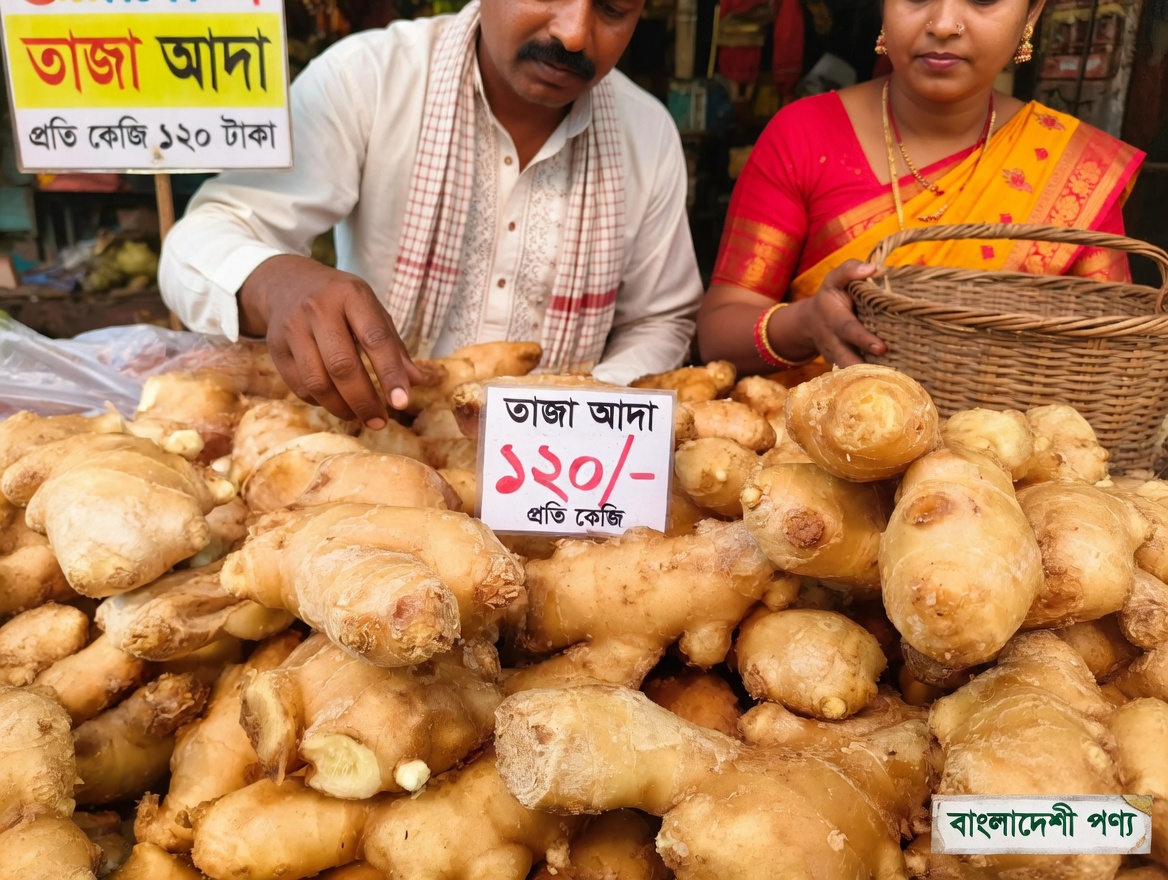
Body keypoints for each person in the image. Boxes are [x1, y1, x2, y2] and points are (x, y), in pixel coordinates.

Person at [160, 0, 702, 429]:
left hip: (559, 477)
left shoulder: (646, 132)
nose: (575, 33)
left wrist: (587, 407)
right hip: (371, 439)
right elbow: (201, 242)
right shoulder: (368, 79)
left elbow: (661, 318)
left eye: (612, 8)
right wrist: (274, 281)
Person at [697, 0, 1146, 376]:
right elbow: (717, 334)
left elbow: (1112, 359)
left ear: (1031, 14)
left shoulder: (1073, 168)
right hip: (813, 460)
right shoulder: (803, 136)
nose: (944, 24)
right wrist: (805, 323)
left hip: (1005, 470)